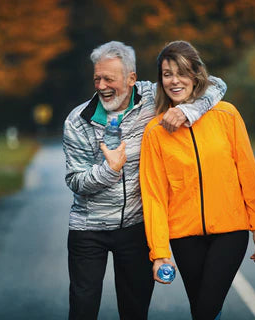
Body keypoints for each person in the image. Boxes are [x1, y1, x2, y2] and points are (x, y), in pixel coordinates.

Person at [63, 40, 226, 320]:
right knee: (83, 308)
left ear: (131, 79)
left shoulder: (153, 97)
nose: (101, 85)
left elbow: (216, 85)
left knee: (135, 310)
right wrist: (109, 170)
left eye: (109, 79)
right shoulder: (77, 121)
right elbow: (75, 180)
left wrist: (188, 111)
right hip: (88, 229)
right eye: (97, 78)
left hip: (137, 228)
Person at [140, 41, 255, 319]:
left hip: (230, 231)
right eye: (167, 74)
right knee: (203, 306)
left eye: (182, 72)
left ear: (197, 75)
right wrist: (160, 251)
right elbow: (154, 195)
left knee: (206, 309)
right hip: (184, 236)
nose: (174, 80)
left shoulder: (227, 115)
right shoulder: (155, 131)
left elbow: (247, 172)